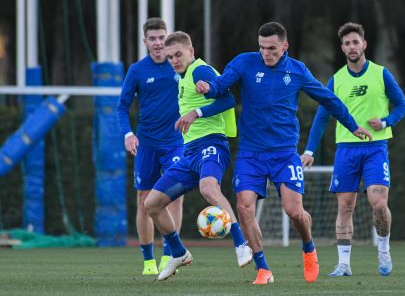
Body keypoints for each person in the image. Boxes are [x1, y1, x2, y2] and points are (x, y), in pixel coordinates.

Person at [195, 21, 372, 285]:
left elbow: (329, 99)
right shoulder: (245, 63)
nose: (266, 53)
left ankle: (309, 248)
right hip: (251, 153)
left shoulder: (297, 70)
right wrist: (208, 88)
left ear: (285, 46)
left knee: (293, 211)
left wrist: (353, 125)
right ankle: (263, 268)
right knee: (244, 207)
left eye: (272, 48)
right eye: (262, 48)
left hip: (284, 153)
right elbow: (221, 86)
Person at [301, 22, 405, 277]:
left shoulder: (381, 74)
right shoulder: (336, 80)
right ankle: (344, 264)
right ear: (342, 48)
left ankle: (383, 250)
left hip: (375, 148)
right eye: (347, 43)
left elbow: (402, 105)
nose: (352, 47)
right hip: (346, 151)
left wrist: (385, 122)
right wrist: (309, 150)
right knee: (345, 207)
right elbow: (321, 118)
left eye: (355, 42)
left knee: (379, 203)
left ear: (364, 44)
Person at [143, 31, 253, 282]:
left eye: (178, 54)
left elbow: (228, 100)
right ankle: (179, 253)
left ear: (191, 51)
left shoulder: (199, 71)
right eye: (170, 57)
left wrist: (197, 113)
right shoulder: (180, 78)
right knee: (152, 204)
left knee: (208, 187)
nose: (174, 60)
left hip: (212, 144)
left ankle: (240, 244)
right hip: (189, 152)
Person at [117, 18, 185, 276]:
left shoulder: (179, 67)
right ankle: (148, 261)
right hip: (146, 145)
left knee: (175, 198)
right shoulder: (137, 70)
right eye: (153, 38)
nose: (158, 43)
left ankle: (171, 254)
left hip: (176, 144)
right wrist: (127, 134)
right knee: (145, 201)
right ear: (145, 41)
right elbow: (122, 107)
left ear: (168, 39)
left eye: (161, 38)